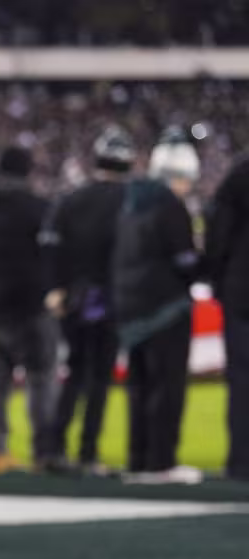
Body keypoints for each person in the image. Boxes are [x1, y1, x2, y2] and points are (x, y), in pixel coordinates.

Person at [0, 147, 64, 475]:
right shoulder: (35, 207)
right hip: (28, 306)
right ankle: (44, 452)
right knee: (41, 379)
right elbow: (52, 253)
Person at [113, 129, 204, 484]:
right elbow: (185, 261)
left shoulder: (130, 203)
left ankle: (138, 459)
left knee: (138, 387)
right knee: (167, 386)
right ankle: (161, 462)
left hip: (130, 308)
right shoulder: (169, 206)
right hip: (165, 310)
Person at [46, 127, 135, 477]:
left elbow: (51, 246)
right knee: (99, 377)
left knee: (75, 372)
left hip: (75, 298)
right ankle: (87, 452)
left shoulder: (71, 199)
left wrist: (57, 287)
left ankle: (54, 448)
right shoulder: (130, 201)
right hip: (112, 297)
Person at [205, 154, 249, 482]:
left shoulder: (238, 176)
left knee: (241, 381)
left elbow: (217, 235)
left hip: (240, 290)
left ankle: (241, 464)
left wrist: (217, 280)